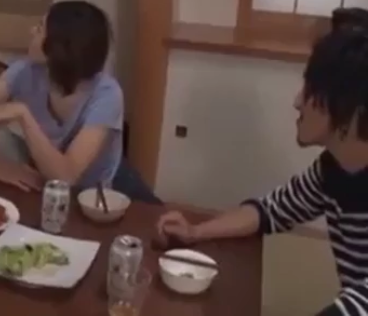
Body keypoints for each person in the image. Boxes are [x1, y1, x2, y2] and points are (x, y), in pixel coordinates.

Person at [155, 28, 368, 316]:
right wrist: (195, 232)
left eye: (310, 90)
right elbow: (270, 210)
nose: (297, 102)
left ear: (353, 112)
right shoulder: (332, 169)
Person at [0, 0, 124, 192]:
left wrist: (22, 114)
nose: (31, 31)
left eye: (39, 28)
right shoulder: (26, 70)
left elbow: (66, 176)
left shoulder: (107, 95)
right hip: (39, 178)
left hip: (88, 196)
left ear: (58, 48)